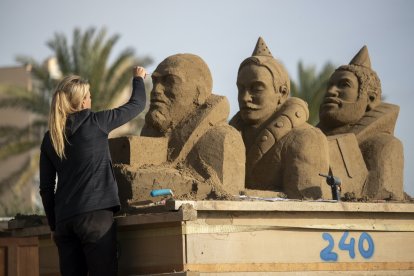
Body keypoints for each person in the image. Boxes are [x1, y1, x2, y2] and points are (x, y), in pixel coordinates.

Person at [39, 66, 147, 276]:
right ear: (81, 103)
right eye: (88, 96)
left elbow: (45, 188)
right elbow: (137, 105)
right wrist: (138, 79)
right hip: (96, 218)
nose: (91, 99)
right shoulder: (96, 122)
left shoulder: (49, 138)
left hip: (65, 223)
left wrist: (54, 225)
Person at [115, 53, 245, 202]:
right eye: (155, 81)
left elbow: (224, 199)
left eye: (169, 81)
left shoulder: (223, 139)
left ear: (199, 93)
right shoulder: (153, 132)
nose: (156, 90)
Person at [230, 37, 330, 199]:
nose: (245, 97)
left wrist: (240, 195)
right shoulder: (232, 137)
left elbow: (305, 201)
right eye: (241, 89)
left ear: (282, 93)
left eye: (256, 88)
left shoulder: (306, 139)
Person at [318, 45, 404, 200]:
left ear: (370, 99)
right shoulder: (311, 140)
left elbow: (381, 205)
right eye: (329, 86)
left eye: (344, 85)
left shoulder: (384, 145)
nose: (331, 91)